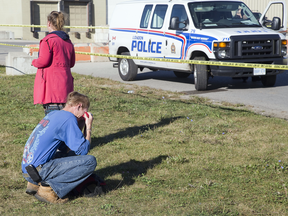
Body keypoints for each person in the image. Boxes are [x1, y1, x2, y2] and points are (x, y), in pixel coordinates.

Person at [21, 91, 96, 204]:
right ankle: (48, 190)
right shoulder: (69, 118)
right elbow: (83, 150)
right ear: (79, 106)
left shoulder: (54, 114)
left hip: (29, 169)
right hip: (39, 169)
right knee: (90, 162)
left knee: (70, 155)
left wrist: (79, 126)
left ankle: (34, 183)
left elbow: (65, 149)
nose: (84, 116)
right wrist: (88, 128)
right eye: (84, 112)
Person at [32, 11, 75, 116]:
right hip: (65, 85)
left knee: (52, 120)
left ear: (49, 23)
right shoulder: (68, 41)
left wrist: (34, 62)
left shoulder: (48, 40)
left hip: (51, 87)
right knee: (64, 118)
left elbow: (43, 61)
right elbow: (72, 63)